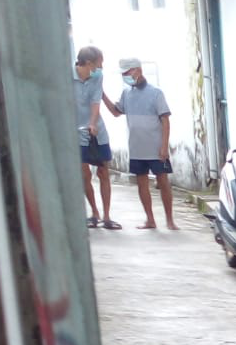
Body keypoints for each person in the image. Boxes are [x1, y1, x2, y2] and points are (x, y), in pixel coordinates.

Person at [110, 58, 178, 230]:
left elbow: (165, 120)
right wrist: (101, 95)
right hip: (136, 148)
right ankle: (150, 219)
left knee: (163, 182)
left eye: (128, 72)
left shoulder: (156, 93)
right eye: (124, 74)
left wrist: (164, 146)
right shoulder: (126, 94)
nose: (126, 76)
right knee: (142, 184)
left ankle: (170, 220)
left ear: (138, 70)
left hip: (156, 147)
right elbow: (116, 112)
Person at [73, 46, 120, 230]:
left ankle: (107, 216)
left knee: (103, 172)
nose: (101, 67)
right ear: (89, 63)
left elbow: (95, 103)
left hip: (96, 130)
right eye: (100, 63)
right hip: (75, 131)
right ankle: (94, 212)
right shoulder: (67, 77)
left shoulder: (97, 77)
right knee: (84, 173)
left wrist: (93, 123)